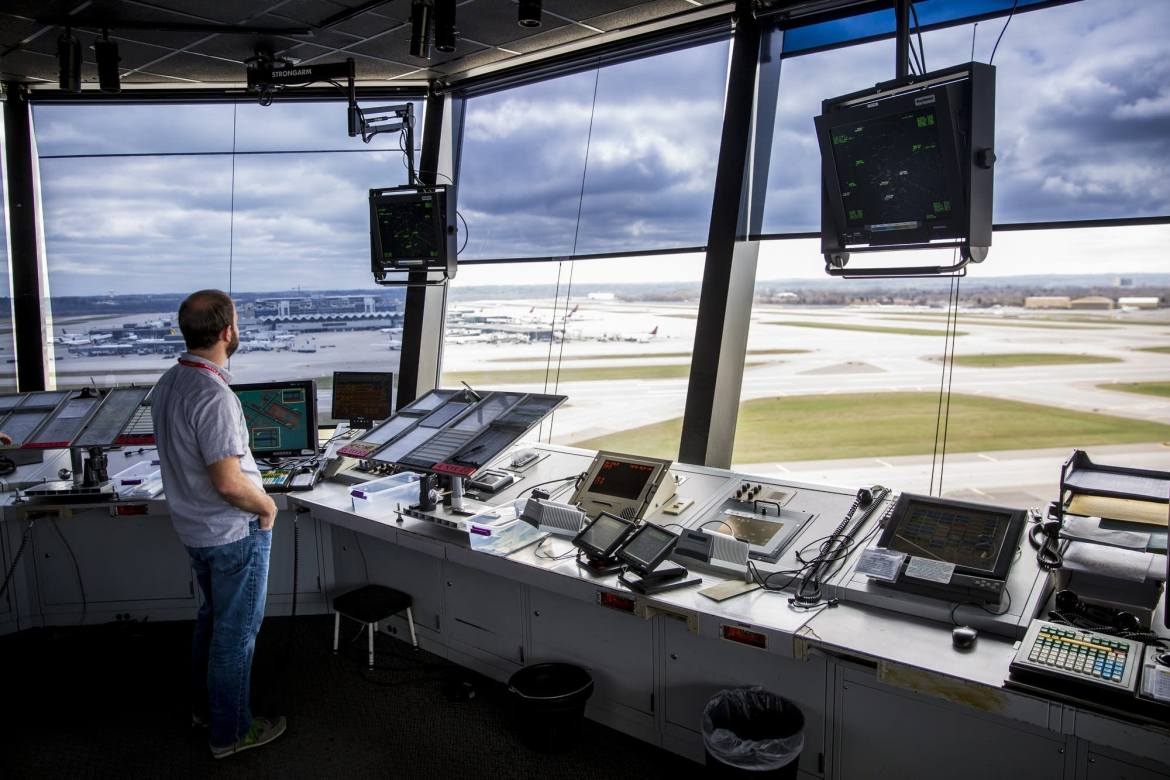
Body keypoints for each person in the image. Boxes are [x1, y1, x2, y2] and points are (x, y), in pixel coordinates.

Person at [151, 289, 286, 758]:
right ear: (228, 331)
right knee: (236, 637)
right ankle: (231, 734)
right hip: (232, 533)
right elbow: (229, 484)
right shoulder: (213, 394)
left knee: (212, 624)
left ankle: (206, 711)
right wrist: (266, 507)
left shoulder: (171, 382)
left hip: (197, 532)